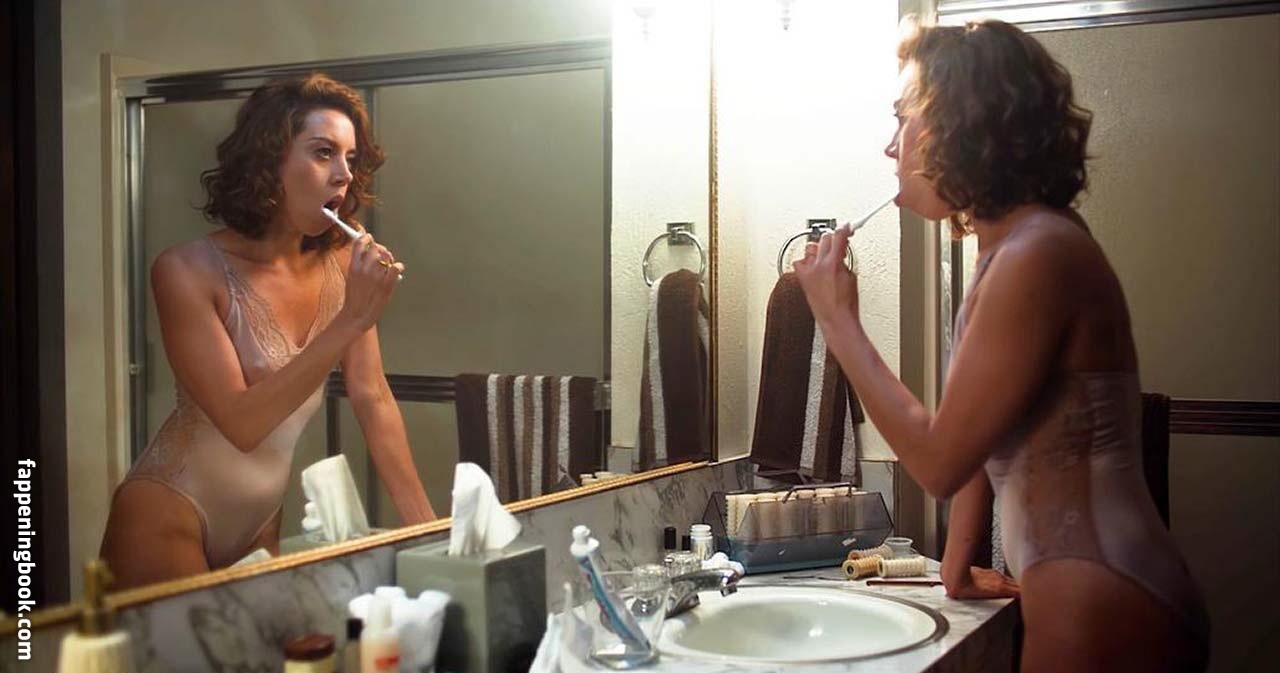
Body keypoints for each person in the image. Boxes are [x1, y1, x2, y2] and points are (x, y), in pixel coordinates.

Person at [794, 19, 1210, 673]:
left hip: (1101, 601)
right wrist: (957, 566)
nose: (889, 146)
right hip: (1092, 589)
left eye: (902, 118)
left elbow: (940, 461)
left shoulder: (1035, 254)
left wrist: (838, 320)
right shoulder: (1012, 249)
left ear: (963, 123)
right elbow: (984, 434)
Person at [101, 73, 437, 589]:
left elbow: (372, 397)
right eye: (323, 153)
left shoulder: (342, 262)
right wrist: (352, 318)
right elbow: (242, 424)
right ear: (268, 160)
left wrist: (432, 533)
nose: (344, 174)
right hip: (166, 513)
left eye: (351, 158)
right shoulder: (186, 270)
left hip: (260, 522)